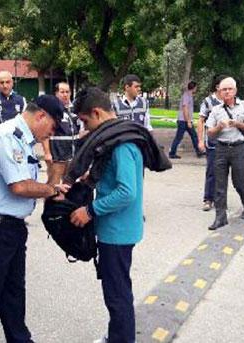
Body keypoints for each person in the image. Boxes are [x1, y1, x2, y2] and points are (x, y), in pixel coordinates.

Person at [67, 87, 170, 343]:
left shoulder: (122, 145)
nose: (85, 128)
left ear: (97, 112)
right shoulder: (115, 138)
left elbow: (127, 192)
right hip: (117, 229)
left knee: (117, 294)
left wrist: (90, 211)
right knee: (117, 289)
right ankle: (117, 335)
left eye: (85, 121)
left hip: (117, 232)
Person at [0, 95, 66, 342]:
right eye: (51, 128)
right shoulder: (7, 136)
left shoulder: (25, 140)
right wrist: (53, 190)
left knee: (13, 294)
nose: (50, 135)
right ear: (41, 115)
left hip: (10, 229)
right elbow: (19, 186)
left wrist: (53, 175)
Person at [206, 77, 244, 230]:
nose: (227, 92)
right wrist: (218, 128)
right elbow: (210, 133)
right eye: (224, 89)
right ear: (220, 92)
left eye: (230, 89)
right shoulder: (216, 110)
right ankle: (220, 217)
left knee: (240, 182)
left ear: (235, 90)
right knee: (219, 185)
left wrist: (238, 124)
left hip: (239, 148)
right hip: (221, 148)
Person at [41, 82, 81, 184]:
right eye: (62, 92)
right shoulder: (51, 110)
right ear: (56, 93)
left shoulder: (74, 110)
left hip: (72, 157)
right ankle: (49, 200)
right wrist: (47, 153)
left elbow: (78, 132)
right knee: (53, 186)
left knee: (69, 186)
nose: (65, 94)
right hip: (56, 157)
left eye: (67, 92)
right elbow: (44, 134)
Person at [197, 75, 226, 212]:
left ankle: (221, 199)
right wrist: (200, 141)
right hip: (213, 143)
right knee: (212, 171)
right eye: (225, 86)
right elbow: (201, 121)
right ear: (217, 87)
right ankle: (208, 199)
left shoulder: (231, 101)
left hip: (229, 142)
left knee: (225, 172)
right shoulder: (208, 102)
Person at [168, 81, 201, 159]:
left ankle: (198, 151)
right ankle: (172, 153)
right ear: (194, 87)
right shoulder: (186, 96)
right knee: (179, 137)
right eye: (196, 87)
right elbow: (185, 108)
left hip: (185, 120)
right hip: (183, 121)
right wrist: (188, 121)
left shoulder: (189, 95)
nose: (196, 89)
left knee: (194, 136)